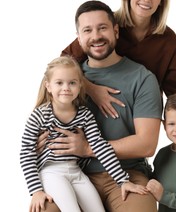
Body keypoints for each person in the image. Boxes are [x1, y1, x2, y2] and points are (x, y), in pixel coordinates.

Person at [61, 0, 176, 156]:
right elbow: (64, 62)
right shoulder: (105, 26)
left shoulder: (169, 41)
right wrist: (90, 88)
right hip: (92, 118)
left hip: (135, 123)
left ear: (161, 1)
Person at [37, 0, 163, 212]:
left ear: (115, 31)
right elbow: (38, 126)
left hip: (128, 173)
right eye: (87, 30)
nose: (96, 36)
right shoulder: (66, 80)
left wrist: (87, 148)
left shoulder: (142, 78)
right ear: (79, 38)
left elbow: (147, 144)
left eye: (102, 28)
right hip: (73, 173)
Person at [20, 55, 149, 212]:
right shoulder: (39, 115)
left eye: (72, 83)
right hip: (52, 172)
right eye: (59, 83)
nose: (66, 88)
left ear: (81, 85)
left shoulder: (84, 114)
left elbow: (99, 146)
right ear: (48, 86)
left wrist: (122, 181)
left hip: (76, 171)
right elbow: (26, 154)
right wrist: (36, 191)